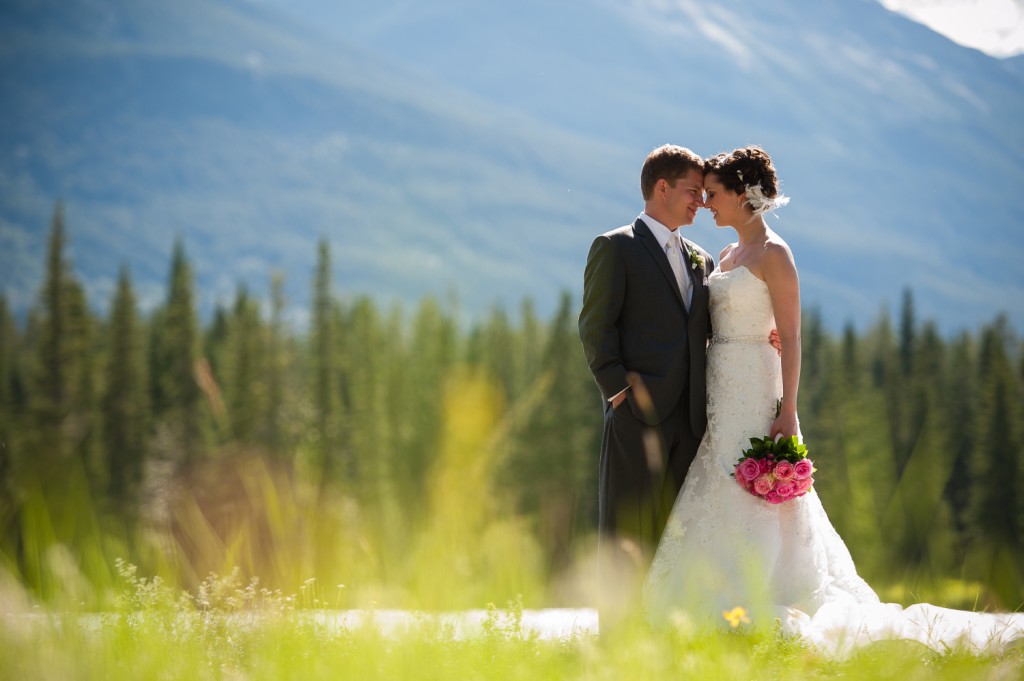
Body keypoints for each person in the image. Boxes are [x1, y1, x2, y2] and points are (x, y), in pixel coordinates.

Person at [643, 145, 1024, 657]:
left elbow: (793, 338)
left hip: (759, 387)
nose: (707, 204)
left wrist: (788, 408)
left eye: (713, 195)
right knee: (718, 475)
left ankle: (768, 591)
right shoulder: (726, 257)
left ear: (743, 196)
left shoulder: (776, 254)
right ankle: (708, 591)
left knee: (757, 489)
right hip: (720, 386)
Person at [578, 144, 715, 624]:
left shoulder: (703, 259)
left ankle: (662, 637)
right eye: (693, 191)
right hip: (636, 415)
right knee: (624, 530)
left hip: (691, 421)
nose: (701, 201)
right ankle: (615, 643)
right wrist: (618, 395)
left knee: (675, 535)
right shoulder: (615, 246)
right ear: (662, 187)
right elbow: (596, 328)